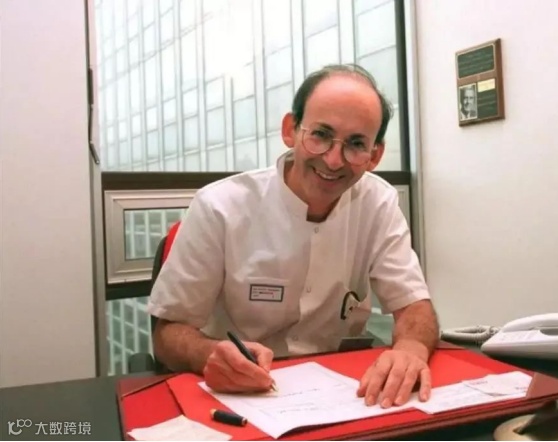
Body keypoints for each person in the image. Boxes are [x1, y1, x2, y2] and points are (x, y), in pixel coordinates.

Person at [147, 64, 439, 409]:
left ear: (374, 155)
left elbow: (414, 307)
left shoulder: (379, 202)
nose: (333, 160)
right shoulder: (220, 206)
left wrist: (410, 350)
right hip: (237, 396)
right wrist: (207, 354)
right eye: (321, 135)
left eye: (356, 144)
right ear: (291, 130)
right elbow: (167, 334)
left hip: (341, 393)